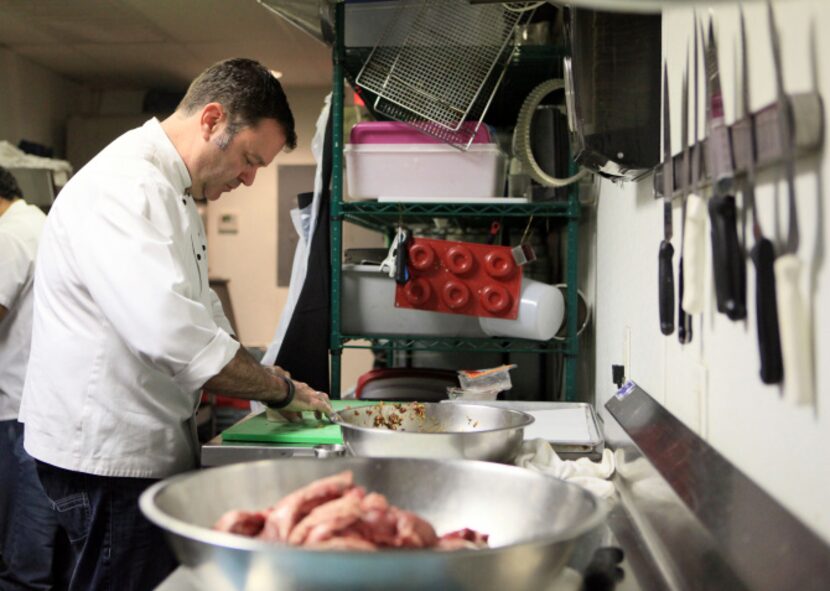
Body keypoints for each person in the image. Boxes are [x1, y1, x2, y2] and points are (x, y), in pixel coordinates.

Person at [18, 58, 333, 591]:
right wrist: (280, 392)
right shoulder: (128, 187)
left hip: (133, 450)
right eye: (249, 159)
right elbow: (174, 339)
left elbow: (198, 307)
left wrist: (256, 367)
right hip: (108, 461)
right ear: (212, 120)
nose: (251, 179)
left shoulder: (173, 190)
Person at [0, 166, 66, 590]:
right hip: (41, 409)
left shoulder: (10, 234)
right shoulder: (40, 224)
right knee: (37, 555)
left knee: (21, 562)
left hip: (15, 411)